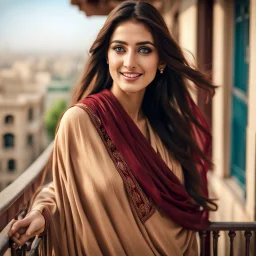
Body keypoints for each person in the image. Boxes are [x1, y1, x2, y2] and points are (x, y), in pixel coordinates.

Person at [8, 1, 218, 255]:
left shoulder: (166, 127)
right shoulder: (79, 122)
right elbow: (68, 183)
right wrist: (42, 211)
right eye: (119, 48)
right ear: (107, 56)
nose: (130, 62)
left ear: (161, 60)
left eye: (144, 49)